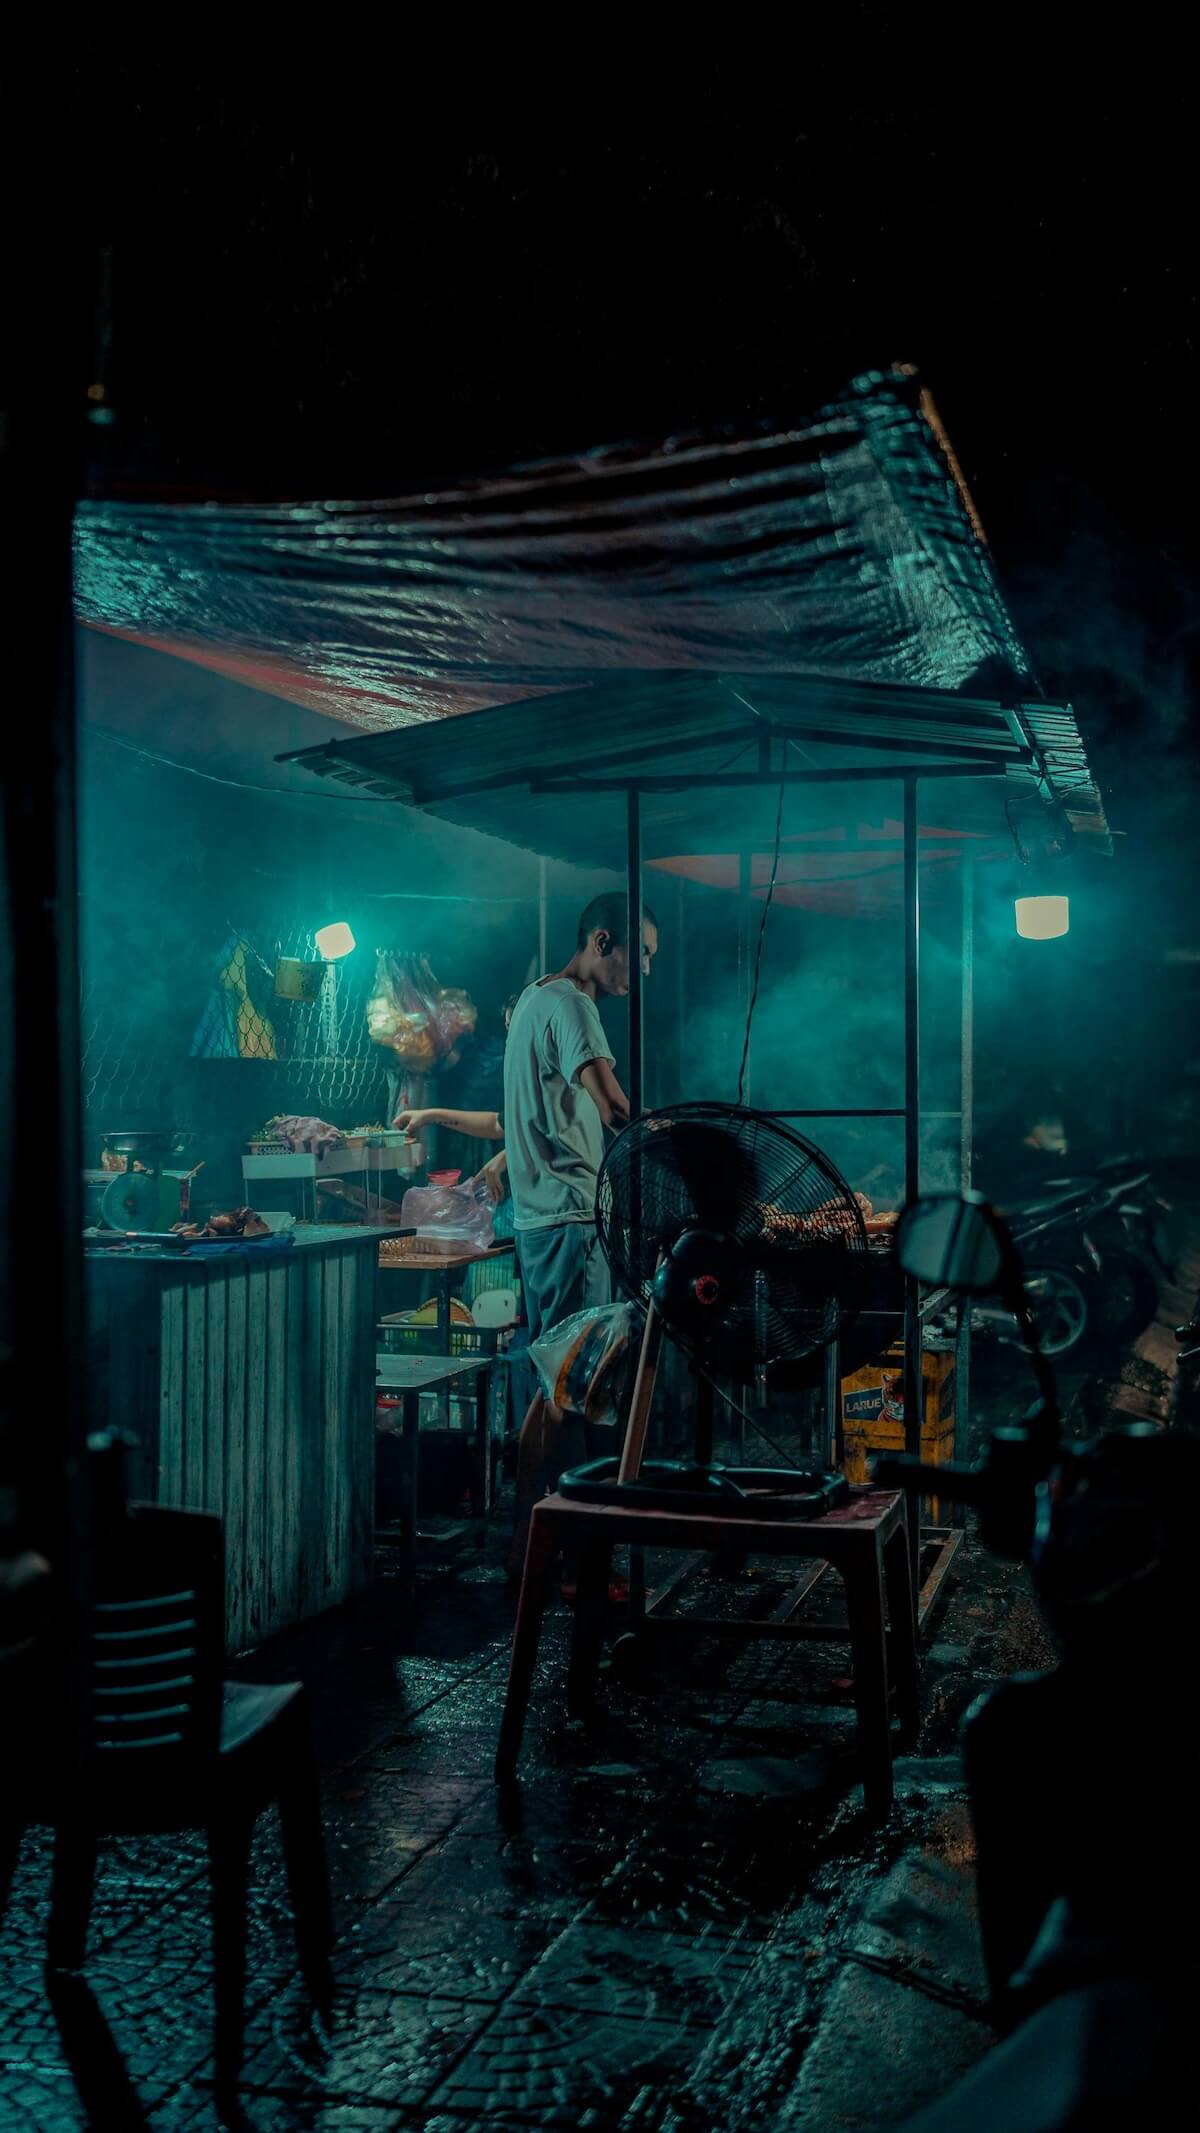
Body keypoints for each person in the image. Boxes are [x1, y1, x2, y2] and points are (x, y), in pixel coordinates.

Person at [502, 892, 658, 1579]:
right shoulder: (572, 1006)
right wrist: (676, 1143)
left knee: (555, 1382)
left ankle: (536, 1542)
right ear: (603, 939)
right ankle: (544, 1549)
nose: (643, 971)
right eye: (640, 953)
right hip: (570, 1221)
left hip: (543, 1224)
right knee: (569, 1388)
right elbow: (614, 1106)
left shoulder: (531, 1002)